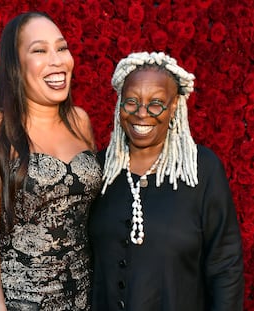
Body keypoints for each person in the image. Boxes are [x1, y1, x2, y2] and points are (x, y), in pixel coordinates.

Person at [0, 12, 102, 311]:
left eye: (62, 48)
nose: (57, 60)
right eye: (39, 50)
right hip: (18, 301)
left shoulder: (81, 122)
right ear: (16, 65)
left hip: (85, 299)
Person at [88, 51, 244, 310]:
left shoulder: (201, 169)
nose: (141, 113)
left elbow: (225, 264)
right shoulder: (100, 169)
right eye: (131, 101)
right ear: (119, 104)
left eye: (156, 103)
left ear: (173, 106)